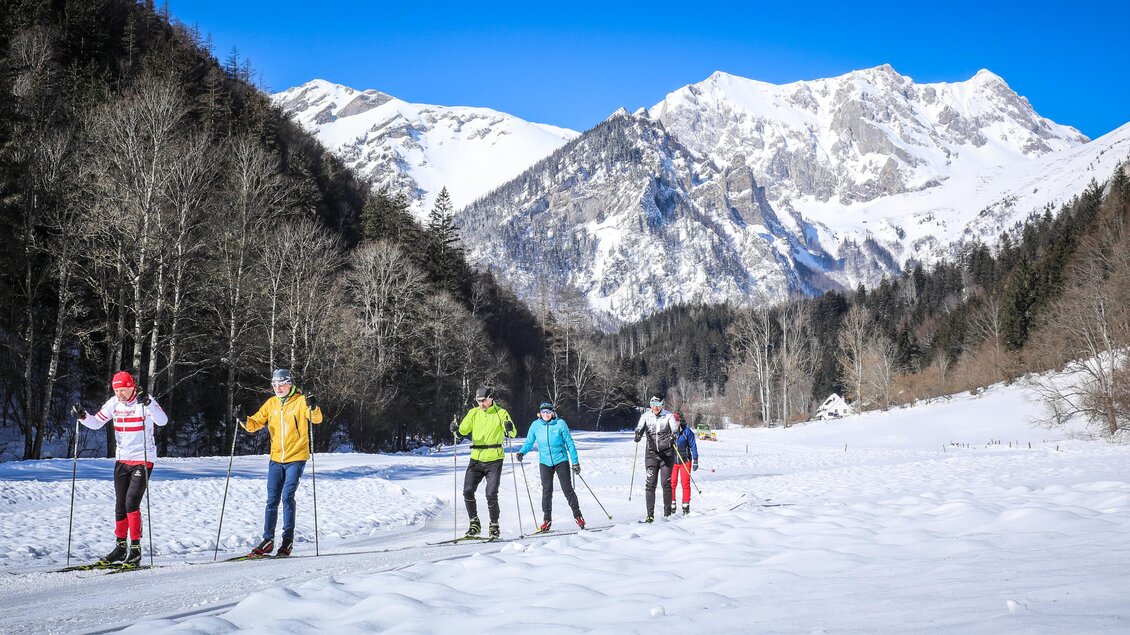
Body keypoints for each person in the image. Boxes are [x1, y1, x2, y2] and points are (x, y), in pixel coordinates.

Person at [72, 371, 169, 566]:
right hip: (122, 460)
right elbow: (97, 422)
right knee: (120, 506)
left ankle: (135, 549)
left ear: (131, 387)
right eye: (117, 390)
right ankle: (120, 547)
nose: (120, 394)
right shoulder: (113, 403)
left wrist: (149, 404)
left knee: (131, 503)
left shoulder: (144, 400)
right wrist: (83, 416)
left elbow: (163, 421)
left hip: (143, 459)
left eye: (123, 390)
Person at [238, 368, 322, 557]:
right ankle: (267, 540)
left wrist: (314, 406)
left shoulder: (300, 401)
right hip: (276, 458)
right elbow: (254, 424)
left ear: (289, 384)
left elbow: (316, 420)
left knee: (287, 497)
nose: (278, 387)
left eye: (281, 383)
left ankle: (287, 541)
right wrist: (243, 418)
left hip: (296, 457)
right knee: (271, 500)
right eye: (274, 384)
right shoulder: (271, 404)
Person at [451, 385, 517, 539]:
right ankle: (474, 523)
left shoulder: (501, 413)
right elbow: (461, 432)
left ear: (491, 398)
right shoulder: (473, 413)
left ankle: (494, 525)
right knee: (467, 490)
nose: (482, 404)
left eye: (484, 400)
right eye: (479, 401)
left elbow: (512, 433)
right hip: (476, 458)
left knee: (491, 493)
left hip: (495, 459)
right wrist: (454, 429)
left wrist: (509, 427)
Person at [516, 402, 585, 531]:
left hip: (561, 460)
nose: (546, 415)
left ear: (553, 413)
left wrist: (575, 462)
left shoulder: (560, 424)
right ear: (540, 414)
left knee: (567, 489)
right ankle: (547, 520)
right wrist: (522, 452)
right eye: (543, 412)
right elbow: (529, 441)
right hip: (545, 462)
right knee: (546, 491)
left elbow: (570, 443)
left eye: (548, 412)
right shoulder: (536, 425)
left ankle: (578, 515)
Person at [633, 394, 678, 522]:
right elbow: (640, 427)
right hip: (651, 454)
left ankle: (667, 514)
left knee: (665, 483)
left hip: (667, 454)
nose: (655, 408)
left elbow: (675, 428)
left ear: (662, 405)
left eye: (658, 405)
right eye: (653, 405)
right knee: (650, 484)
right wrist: (638, 434)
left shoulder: (668, 416)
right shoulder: (646, 416)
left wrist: (674, 435)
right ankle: (650, 515)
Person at [670, 414, 699, 515]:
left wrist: (695, 459)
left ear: (679, 422)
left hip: (685, 461)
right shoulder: (668, 431)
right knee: (672, 483)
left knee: (685, 483)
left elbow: (693, 445)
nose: (675, 424)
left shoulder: (686, 431)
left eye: (676, 422)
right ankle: (672, 504)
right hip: (672, 461)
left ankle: (685, 506)